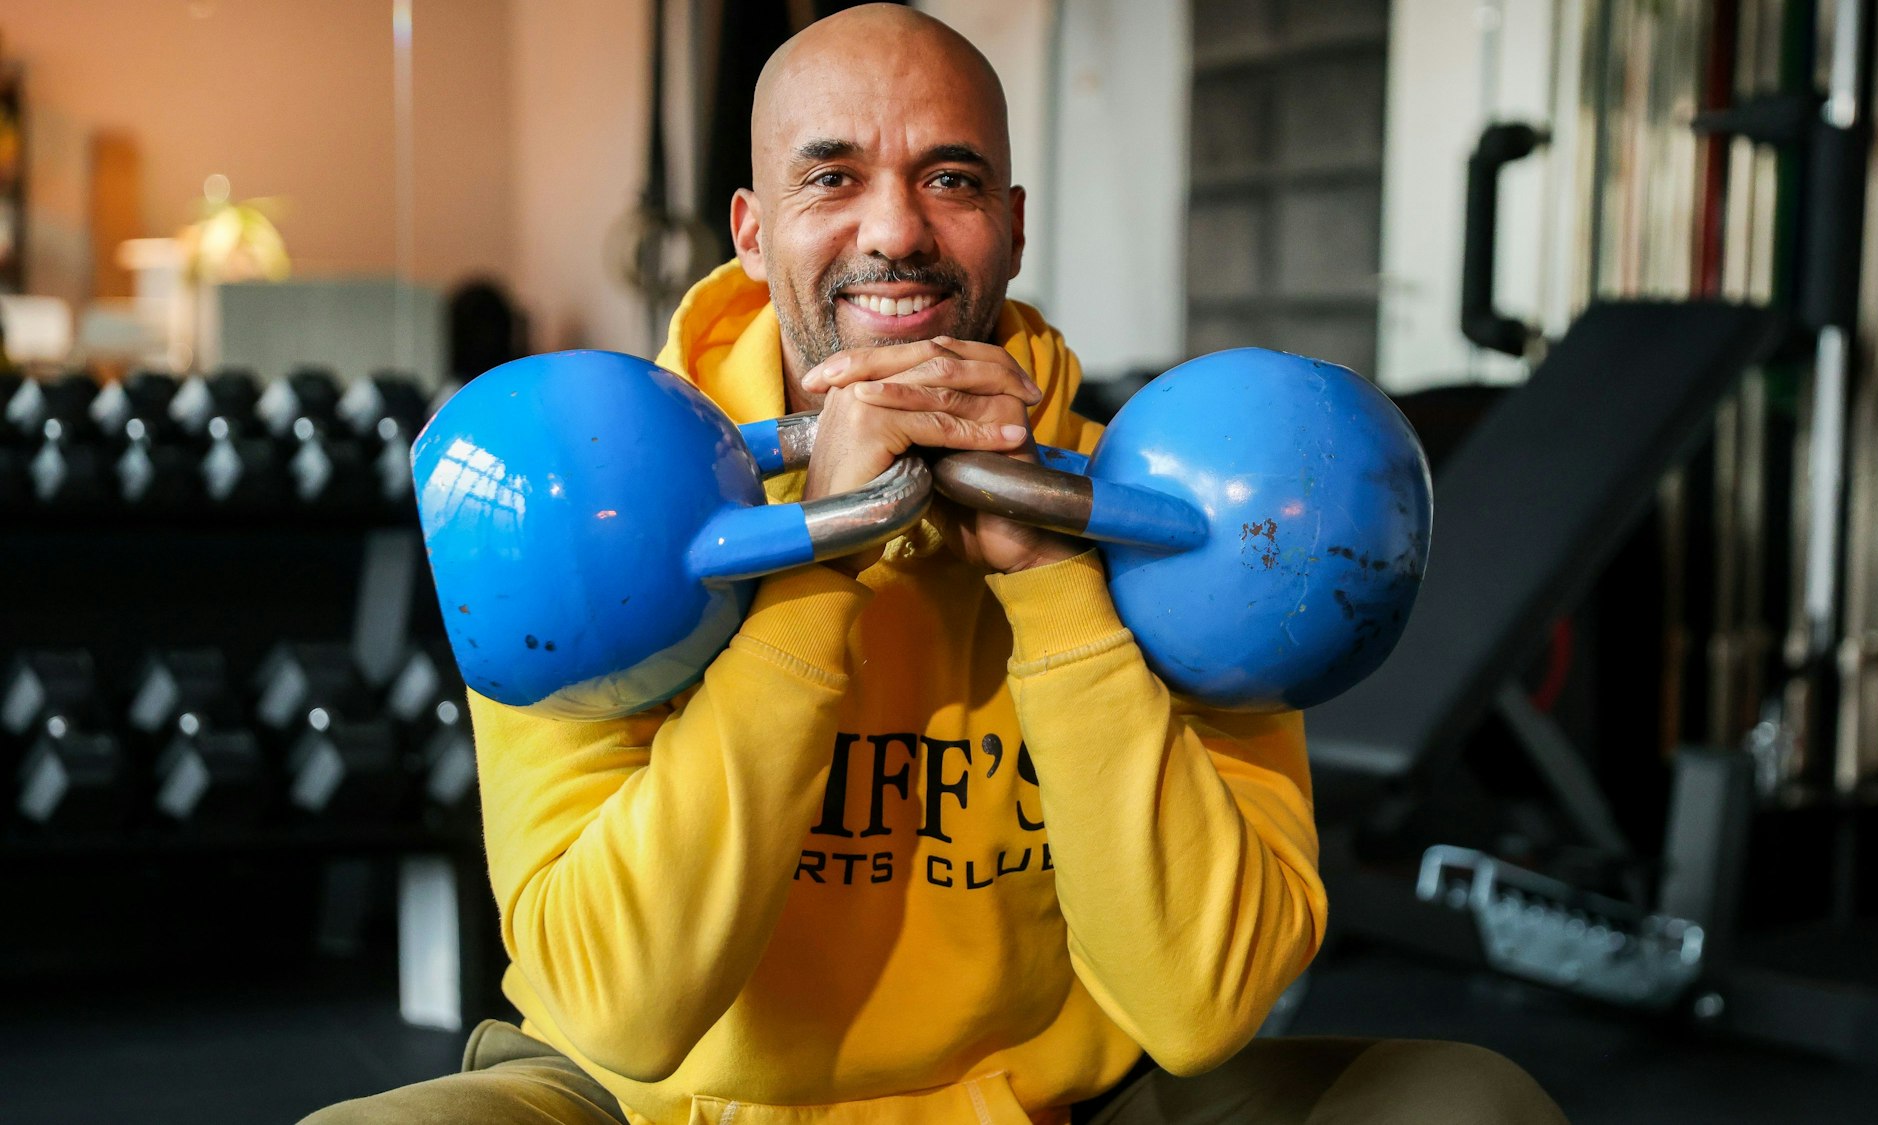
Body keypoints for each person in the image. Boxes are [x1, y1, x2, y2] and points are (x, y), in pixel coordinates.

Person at [306, 6, 1567, 1123]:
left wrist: (1050, 582)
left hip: (1048, 1102)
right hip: (660, 1109)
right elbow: (618, 1007)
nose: (895, 231)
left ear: (1010, 227)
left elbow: (1202, 1004)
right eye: (832, 178)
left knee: (1466, 1106)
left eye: (948, 178)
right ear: (752, 233)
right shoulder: (585, 496)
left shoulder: (1171, 509)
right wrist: (816, 572)